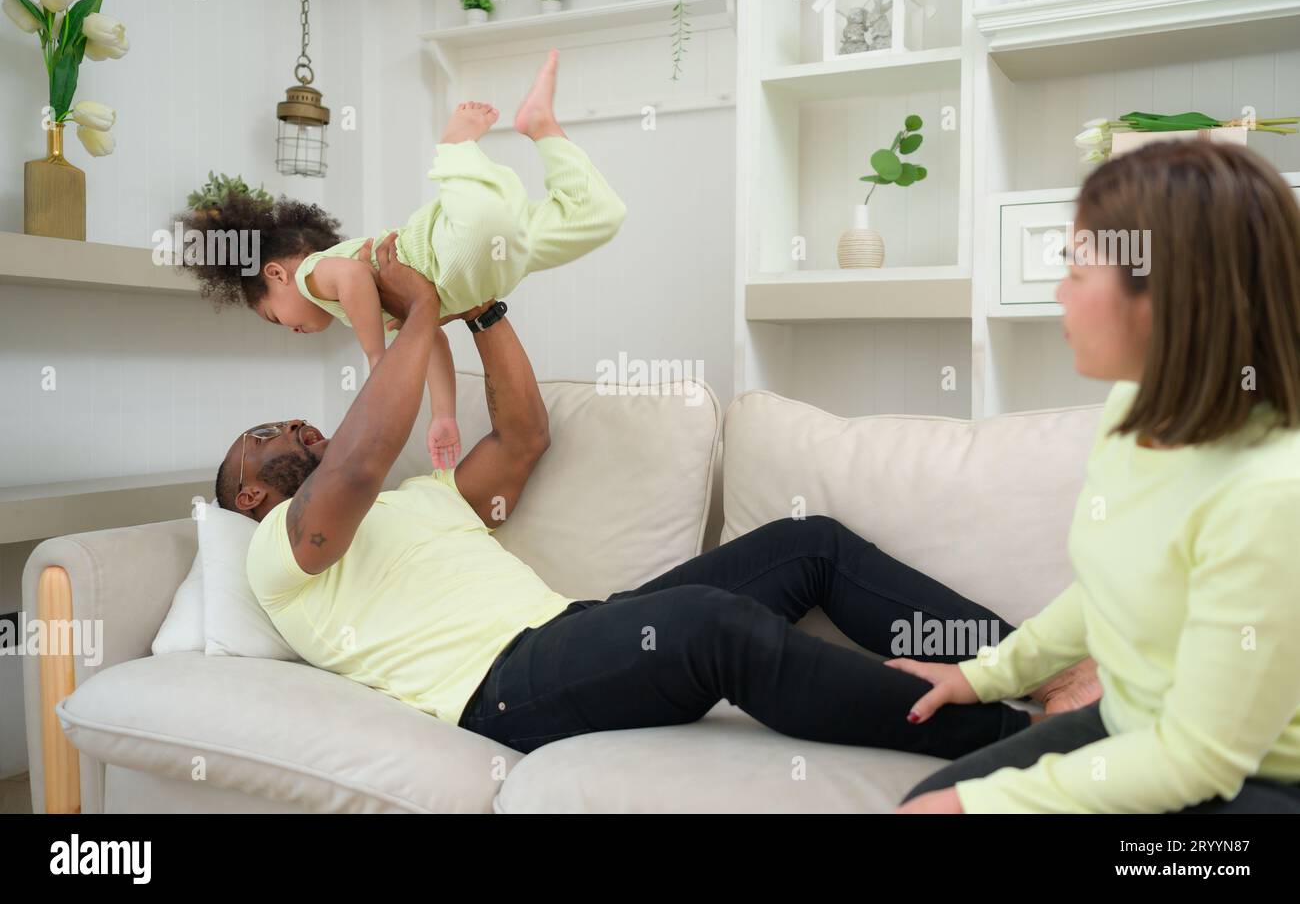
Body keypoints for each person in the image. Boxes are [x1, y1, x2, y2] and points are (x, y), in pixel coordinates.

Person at [222, 233, 1094, 763]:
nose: (296, 427)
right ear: (251, 491)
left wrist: (481, 311)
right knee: (712, 626)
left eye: (298, 420)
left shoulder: (420, 498)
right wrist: (414, 315)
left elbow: (524, 436)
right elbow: (358, 461)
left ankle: (1050, 671)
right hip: (503, 690)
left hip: (582, 626)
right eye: (264, 433)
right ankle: (1025, 749)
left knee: (808, 541)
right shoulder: (279, 554)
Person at [893, 140, 1300, 813]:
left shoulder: (1271, 492)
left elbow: (1198, 757)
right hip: (1135, 727)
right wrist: (981, 676)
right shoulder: (1131, 409)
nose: (1060, 292)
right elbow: (1107, 587)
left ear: (1165, 297)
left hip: (1256, 782)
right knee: (931, 799)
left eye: (1077, 272)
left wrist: (985, 807)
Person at [181, 49, 624, 469]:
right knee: (599, 217)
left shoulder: (313, 276)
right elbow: (429, 336)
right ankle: (543, 128)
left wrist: (377, 359)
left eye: (275, 318)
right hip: (486, 272)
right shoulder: (358, 311)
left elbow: (355, 275)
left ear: (277, 273)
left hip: (448, 249)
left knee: (484, 221)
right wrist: (443, 414)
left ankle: (454, 147)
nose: (292, 329)